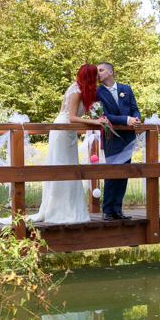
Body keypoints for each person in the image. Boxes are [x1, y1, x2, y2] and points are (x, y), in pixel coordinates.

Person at [34, 63, 106, 224]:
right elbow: (72, 117)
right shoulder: (75, 91)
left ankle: (70, 209)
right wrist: (94, 122)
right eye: (94, 75)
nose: (96, 78)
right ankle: (57, 211)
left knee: (72, 167)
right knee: (61, 167)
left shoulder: (84, 90)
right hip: (62, 129)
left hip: (70, 132)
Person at [96, 62, 141, 220]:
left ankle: (118, 209)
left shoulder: (126, 89)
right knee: (112, 173)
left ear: (110, 72)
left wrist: (136, 119)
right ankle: (107, 210)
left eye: (100, 70)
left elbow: (134, 108)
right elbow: (104, 115)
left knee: (124, 174)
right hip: (111, 138)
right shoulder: (98, 92)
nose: (98, 74)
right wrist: (126, 119)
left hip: (128, 138)